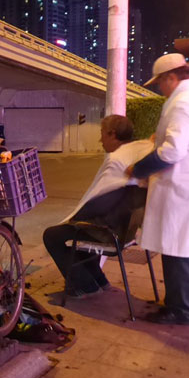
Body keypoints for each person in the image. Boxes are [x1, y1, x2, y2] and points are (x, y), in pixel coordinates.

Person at [127, 53, 189, 325]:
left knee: (177, 249)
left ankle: (181, 310)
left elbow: (173, 151)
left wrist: (139, 168)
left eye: (160, 83)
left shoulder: (183, 102)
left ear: (171, 77)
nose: (159, 88)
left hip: (181, 188)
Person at [43, 115, 153, 298]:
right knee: (78, 229)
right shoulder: (138, 153)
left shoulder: (116, 160)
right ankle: (99, 280)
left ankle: (85, 286)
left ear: (112, 134)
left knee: (52, 235)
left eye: (102, 134)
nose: (100, 139)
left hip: (110, 230)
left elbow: (99, 202)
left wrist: (76, 218)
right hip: (126, 229)